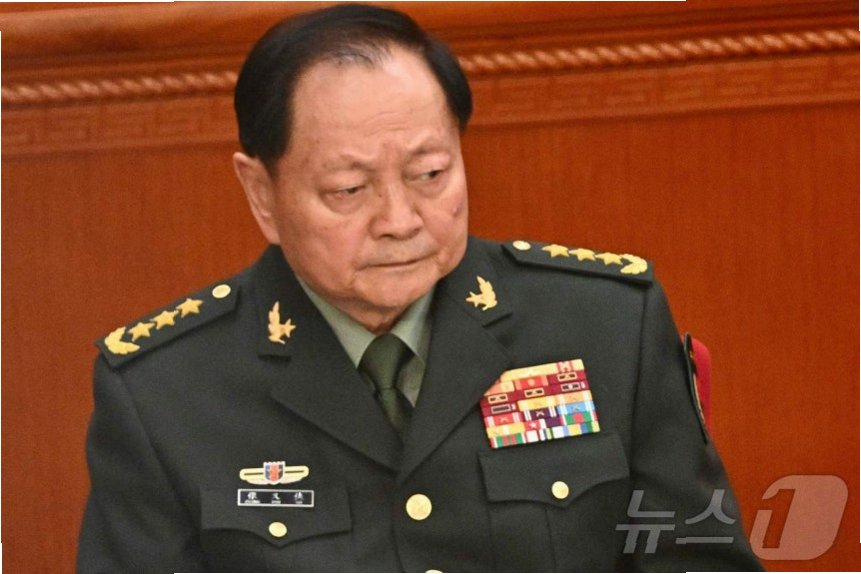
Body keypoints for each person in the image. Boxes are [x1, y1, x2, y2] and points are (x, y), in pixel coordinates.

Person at [78, 4, 763, 572]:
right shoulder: (164, 393)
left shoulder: (605, 323)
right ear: (261, 193)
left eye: (430, 174)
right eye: (349, 189)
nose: (400, 221)